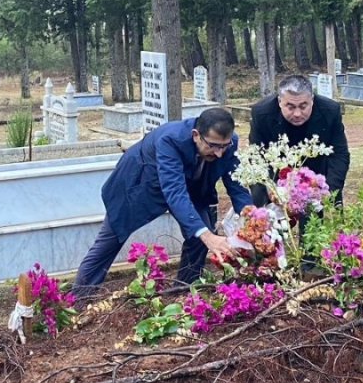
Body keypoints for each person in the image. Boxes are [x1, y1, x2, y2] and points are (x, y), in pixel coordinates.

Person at [73, 108, 252, 296]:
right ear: (196, 135)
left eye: (224, 146)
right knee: (111, 238)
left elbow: (236, 184)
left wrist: (252, 217)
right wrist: (208, 236)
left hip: (191, 185)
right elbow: (174, 192)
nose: (219, 154)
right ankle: (80, 298)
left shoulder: (228, 143)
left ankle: (184, 291)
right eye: (213, 146)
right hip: (142, 184)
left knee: (199, 234)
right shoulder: (170, 139)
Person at [248, 75, 350, 207]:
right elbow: (256, 156)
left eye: (303, 106)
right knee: (270, 220)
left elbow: (339, 154)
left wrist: (329, 191)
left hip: (316, 175)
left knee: (321, 224)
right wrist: (270, 191)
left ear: (312, 100)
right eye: (290, 107)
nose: (297, 114)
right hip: (276, 174)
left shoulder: (330, 111)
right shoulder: (261, 113)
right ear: (280, 101)